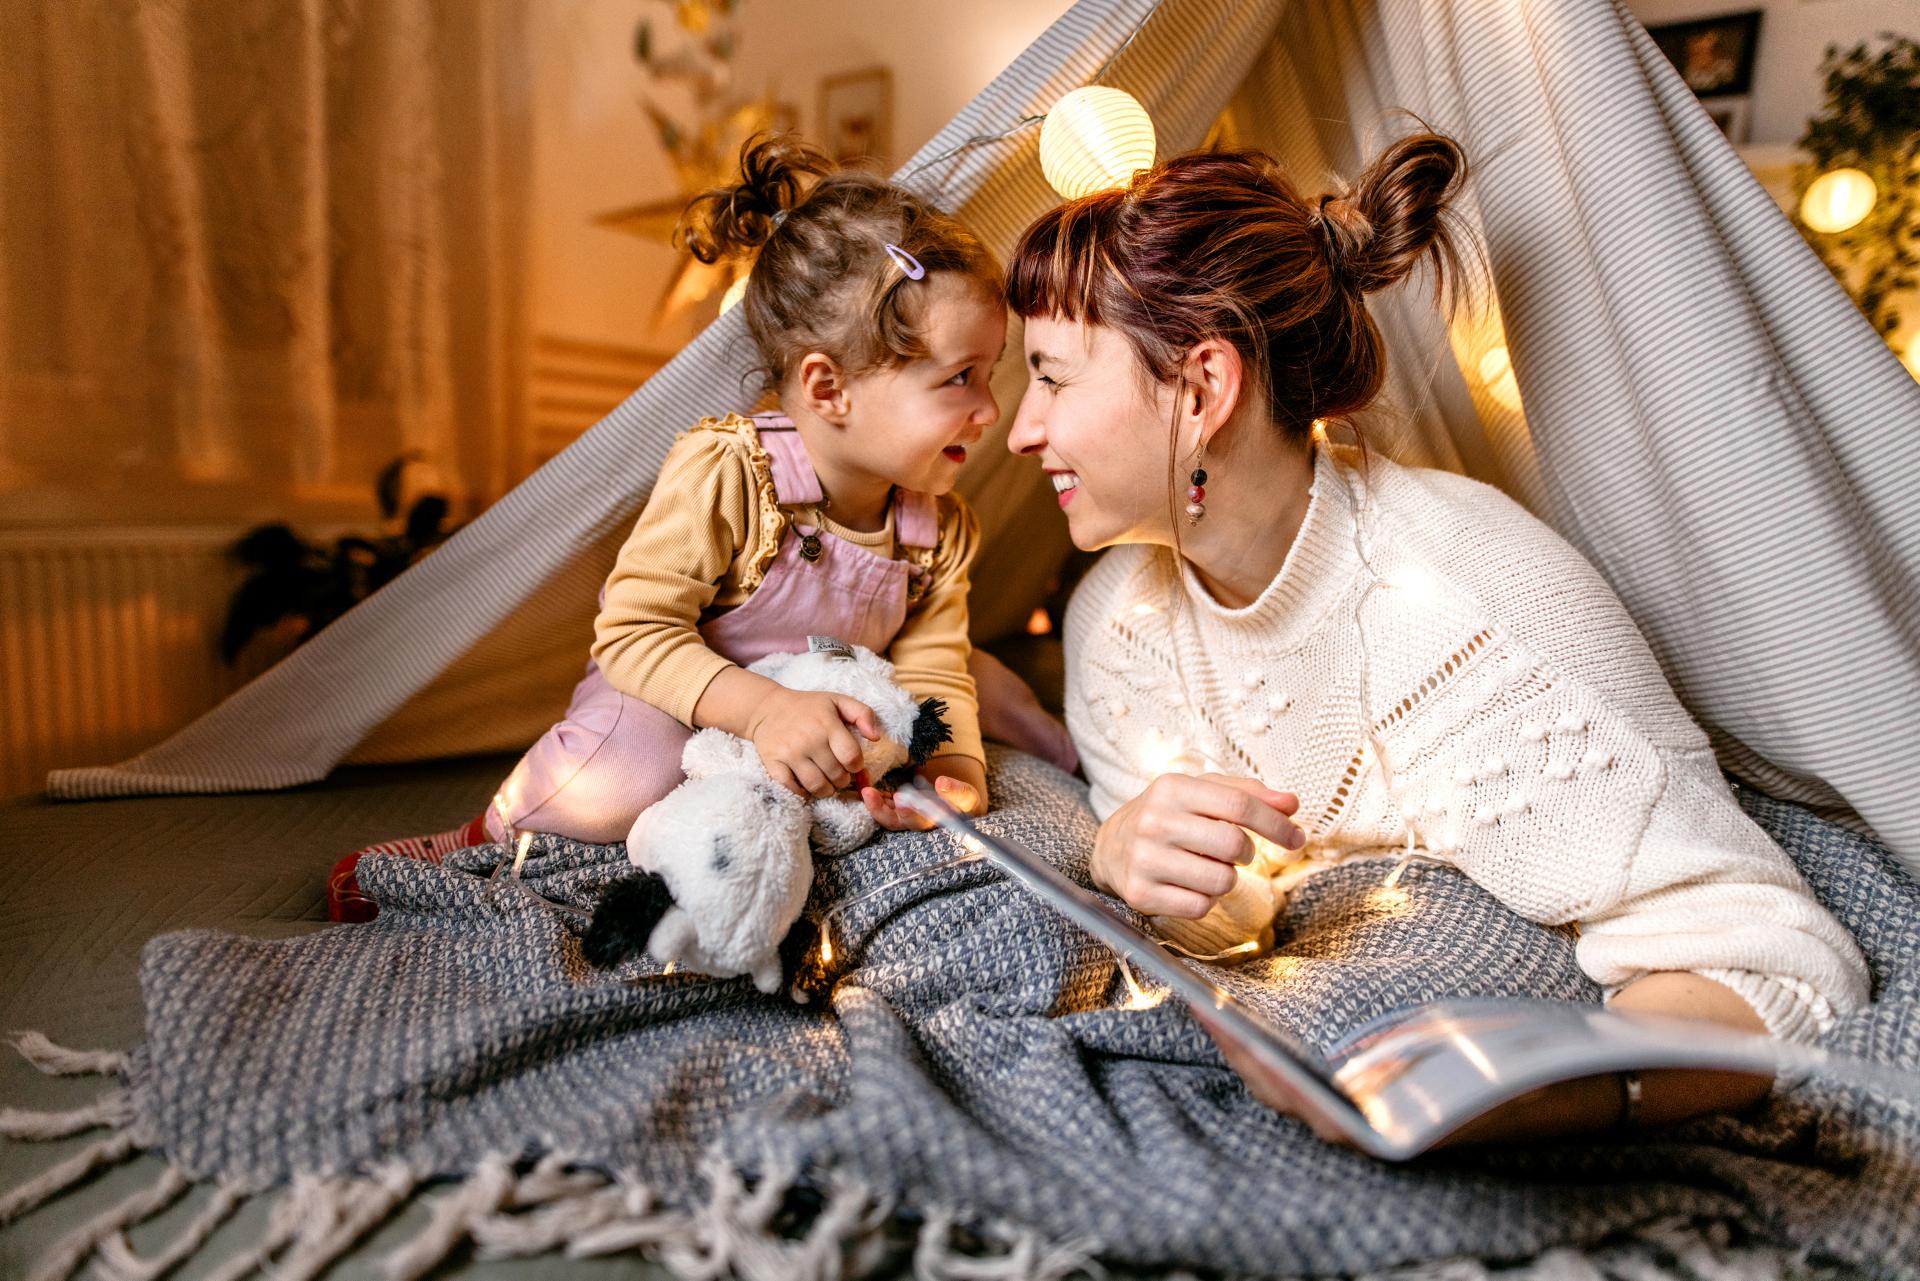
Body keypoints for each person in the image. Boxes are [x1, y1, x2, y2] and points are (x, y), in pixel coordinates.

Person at [1003, 134, 1870, 1139]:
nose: (1021, 431)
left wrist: (1543, 1096)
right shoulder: (1115, 616)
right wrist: (1130, 856)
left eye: (1052, 379)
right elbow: (1224, 922)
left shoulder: (1475, 602)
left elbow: (1775, 960)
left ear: (1202, 390)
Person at [329, 133, 1031, 920]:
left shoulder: (938, 527)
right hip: (683, 700)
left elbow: (933, 666)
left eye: (991, 372)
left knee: (922, 755)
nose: (991, 410)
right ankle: (487, 836)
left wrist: (953, 764)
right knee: (624, 777)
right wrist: (762, 710)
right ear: (827, 386)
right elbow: (632, 634)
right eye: (959, 378)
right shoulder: (731, 472)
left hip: (804, 734)